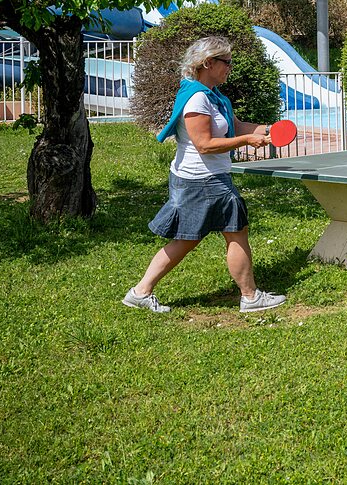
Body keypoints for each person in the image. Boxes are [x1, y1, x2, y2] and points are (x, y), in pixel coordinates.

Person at [122, 36, 287, 314]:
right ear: (208, 63)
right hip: (204, 180)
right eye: (226, 62)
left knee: (189, 239)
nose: (230, 67)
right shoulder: (198, 98)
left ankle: (141, 292)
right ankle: (250, 297)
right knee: (235, 233)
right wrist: (246, 142)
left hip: (202, 179)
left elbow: (234, 126)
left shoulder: (213, 96)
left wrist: (267, 129)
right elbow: (205, 145)